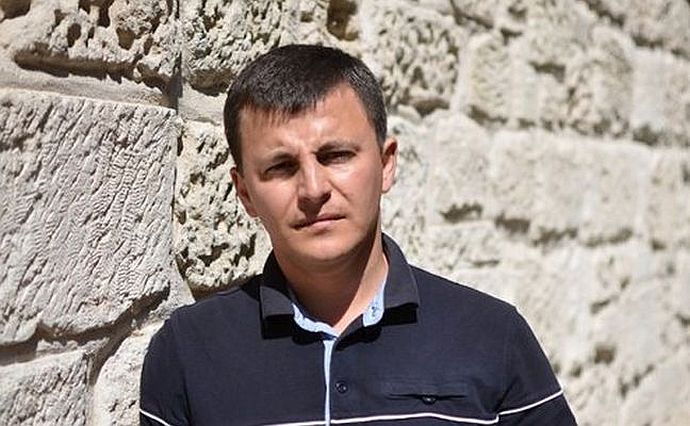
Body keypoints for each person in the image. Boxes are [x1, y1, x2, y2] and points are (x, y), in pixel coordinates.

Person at [140, 44, 577, 425]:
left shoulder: (493, 336)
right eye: (281, 167)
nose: (313, 189)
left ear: (386, 164)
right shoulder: (187, 351)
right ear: (245, 194)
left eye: (336, 155)